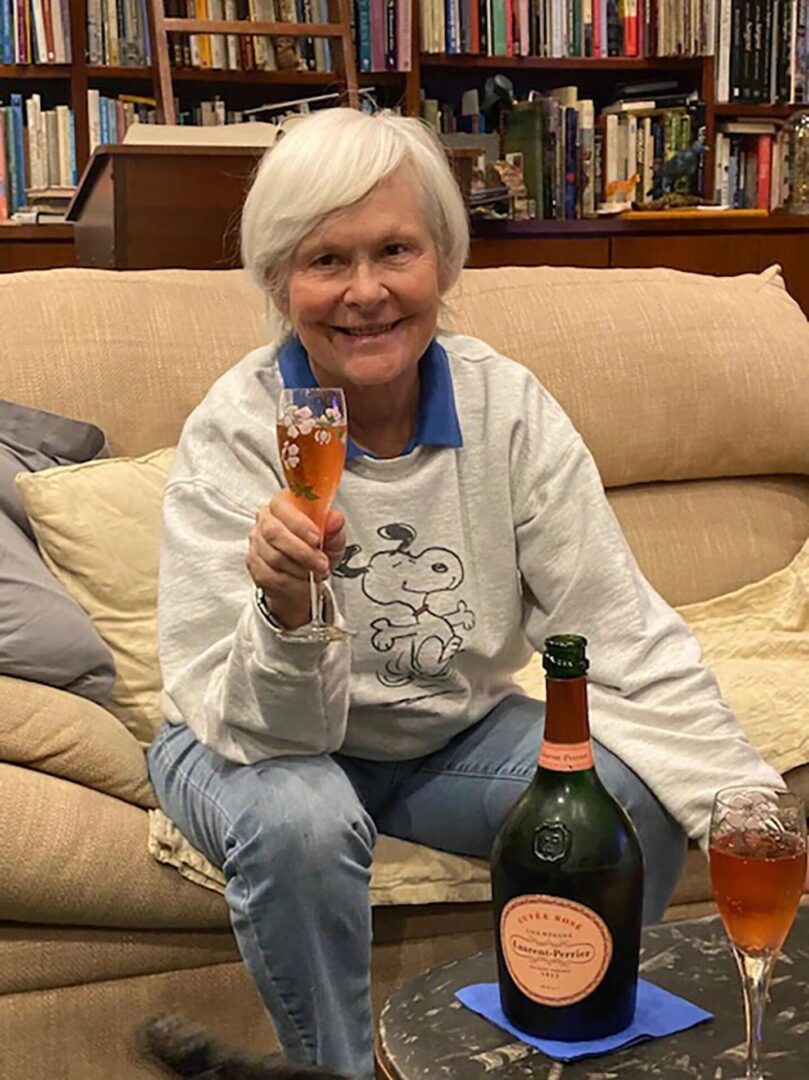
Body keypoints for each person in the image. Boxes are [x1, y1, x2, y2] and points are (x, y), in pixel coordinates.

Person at [147, 108, 784, 1080]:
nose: (365, 292)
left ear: (442, 260)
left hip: (440, 736)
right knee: (302, 821)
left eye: (395, 249)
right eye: (326, 260)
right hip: (241, 734)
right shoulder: (236, 431)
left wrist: (743, 800)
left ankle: (547, 1050)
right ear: (280, 283)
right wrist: (284, 612)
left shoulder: (506, 409)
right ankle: (340, 1072)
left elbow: (614, 629)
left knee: (623, 800)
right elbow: (260, 731)